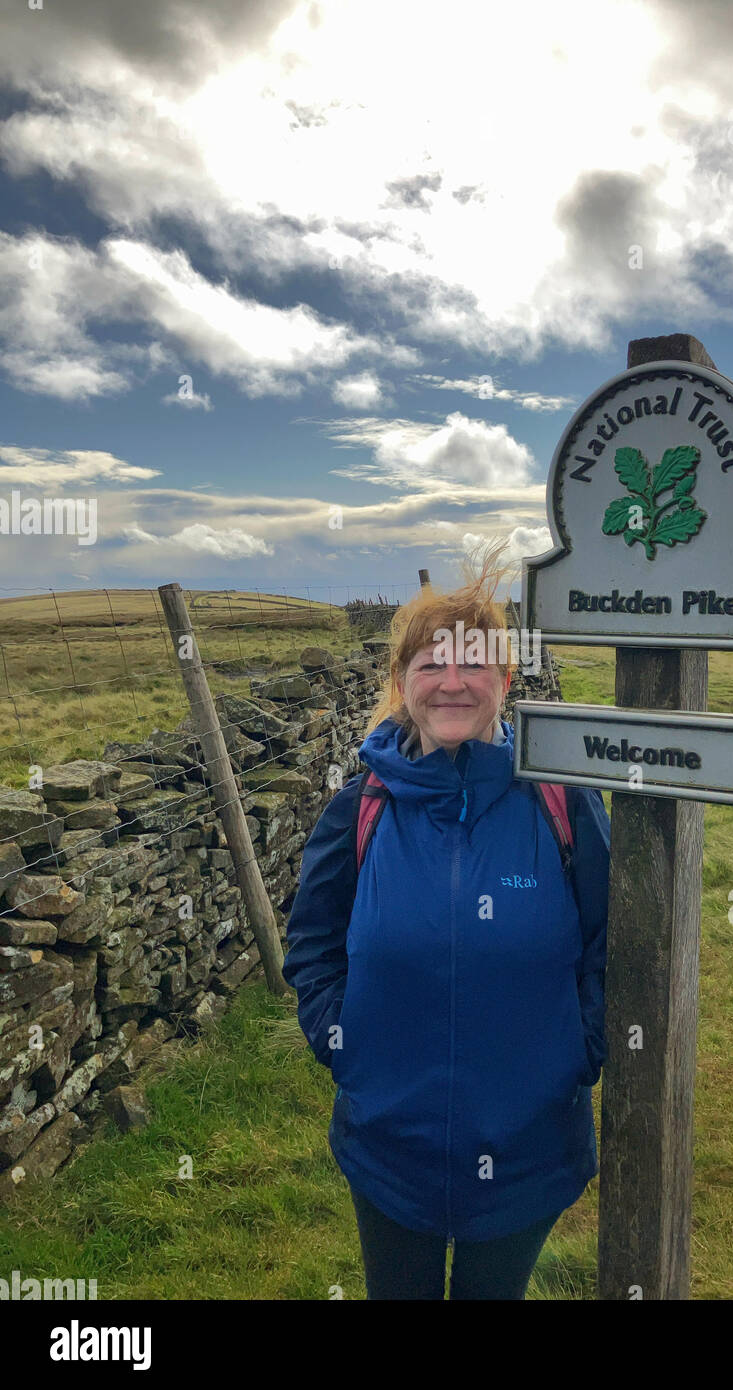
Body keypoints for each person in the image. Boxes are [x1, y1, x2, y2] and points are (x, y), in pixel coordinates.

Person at [283, 541, 610, 1299]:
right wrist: (344, 1044)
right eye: (432, 665)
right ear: (401, 683)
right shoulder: (358, 810)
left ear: (503, 679)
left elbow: (610, 944)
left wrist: (579, 1052)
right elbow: (312, 943)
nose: (452, 683)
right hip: (389, 1143)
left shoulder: (561, 803)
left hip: (527, 1144)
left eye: (474, 665)